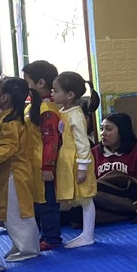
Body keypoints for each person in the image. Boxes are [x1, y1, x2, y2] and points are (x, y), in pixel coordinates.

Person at [0, 78, 44, 262]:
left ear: (5, 97)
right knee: (11, 212)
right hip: (8, 173)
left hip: (15, 174)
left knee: (18, 212)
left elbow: (9, 147)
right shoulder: (6, 117)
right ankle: (20, 244)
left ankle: (29, 249)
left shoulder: (12, 121)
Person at [51, 72, 99, 249]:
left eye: (56, 91)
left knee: (86, 197)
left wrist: (82, 167)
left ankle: (88, 235)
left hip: (77, 160)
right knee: (78, 197)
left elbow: (82, 143)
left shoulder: (76, 115)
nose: (52, 94)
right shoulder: (63, 112)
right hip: (68, 160)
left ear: (70, 94)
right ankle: (85, 234)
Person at [91, 113, 137, 225]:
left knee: (114, 178)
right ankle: (132, 212)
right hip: (104, 198)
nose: (103, 133)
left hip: (129, 194)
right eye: (102, 129)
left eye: (108, 129)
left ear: (122, 131)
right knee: (79, 213)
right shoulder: (94, 153)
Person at [22, 60, 63, 250]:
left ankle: (52, 237)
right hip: (33, 163)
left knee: (48, 202)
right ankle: (44, 234)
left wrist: (48, 166)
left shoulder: (47, 109)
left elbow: (51, 139)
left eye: (27, 82)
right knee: (39, 201)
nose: (25, 86)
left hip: (44, 165)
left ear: (40, 83)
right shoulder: (33, 107)